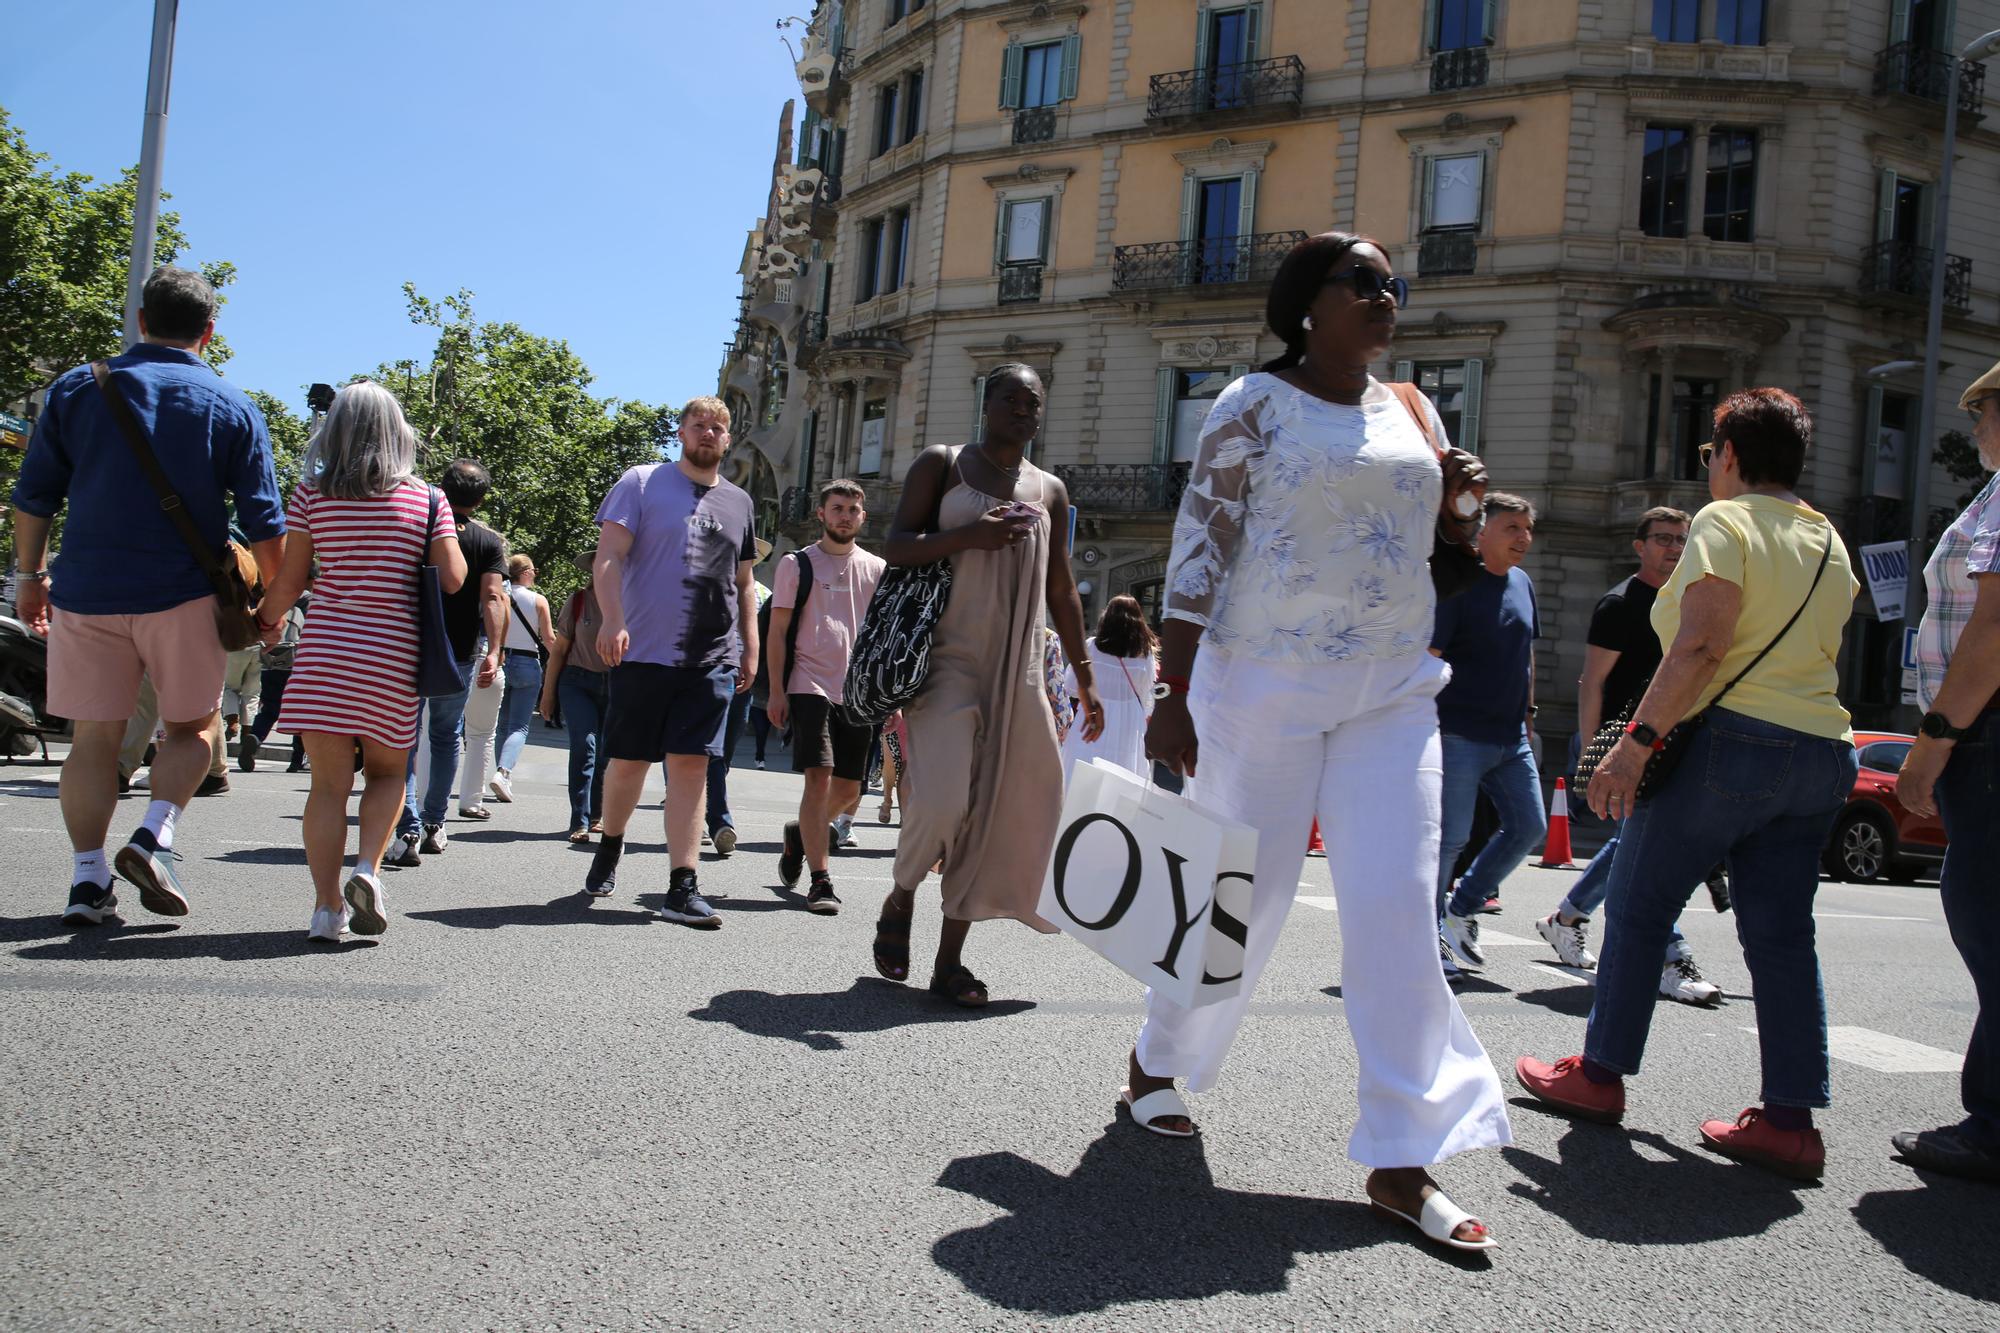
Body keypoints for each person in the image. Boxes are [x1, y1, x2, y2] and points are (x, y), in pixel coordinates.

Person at [1134, 232, 1508, 1251]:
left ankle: (1400, 1156)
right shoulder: (1249, 404)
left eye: (1393, 285)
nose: (1386, 297)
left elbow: (1450, 558)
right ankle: (1157, 1057)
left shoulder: (1414, 410)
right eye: (1364, 282)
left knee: (1393, 906)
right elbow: (1198, 546)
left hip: (1389, 689)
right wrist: (1170, 690)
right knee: (1242, 899)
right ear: (1309, 302)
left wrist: (1462, 503)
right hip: (1261, 682)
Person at [1517, 387, 1858, 1182]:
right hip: (1821, 749)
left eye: (1712, 452)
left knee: (1637, 908)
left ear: (1731, 454)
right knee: (1780, 934)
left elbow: (1703, 643)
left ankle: (1598, 1075)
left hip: (1732, 741)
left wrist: (1635, 744)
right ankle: (1789, 1119)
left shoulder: (1725, 522)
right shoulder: (1827, 537)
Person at [11, 266, 286, 929]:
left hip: (87, 591)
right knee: (191, 729)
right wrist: (270, 609)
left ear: (140, 319)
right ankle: (152, 836)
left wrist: (30, 576)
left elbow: (34, 496)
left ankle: (85, 879)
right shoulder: (231, 405)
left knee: (93, 742)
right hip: (185, 596)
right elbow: (267, 526)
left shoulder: (78, 387)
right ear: (209, 331)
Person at [877, 364, 1103, 1006]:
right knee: (944, 800)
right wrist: (968, 536)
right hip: (947, 659)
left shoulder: (1050, 490)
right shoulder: (942, 463)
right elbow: (895, 545)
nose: (1024, 409)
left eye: (1034, 401)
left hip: (1021, 664)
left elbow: (1061, 587)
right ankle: (902, 891)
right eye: (1011, 398)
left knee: (996, 809)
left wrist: (1084, 677)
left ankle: (949, 963)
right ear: (987, 404)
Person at [252, 381, 466, 942]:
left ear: (335, 430)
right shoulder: (427, 499)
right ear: (399, 432)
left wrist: (264, 620)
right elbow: (454, 578)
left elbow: (290, 580)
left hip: (325, 652)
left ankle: (326, 909)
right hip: (391, 656)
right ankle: (368, 869)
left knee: (327, 787)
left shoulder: (310, 495)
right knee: (389, 772)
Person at [1537, 508, 1723, 1005]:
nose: (1674, 549)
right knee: (1645, 849)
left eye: (1683, 540)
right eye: (1663, 539)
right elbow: (1592, 682)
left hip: (1671, 744)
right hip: (1623, 748)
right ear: (1639, 546)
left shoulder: (1690, 600)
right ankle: (1670, 957)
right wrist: (1592, 753)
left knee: (1633, 845)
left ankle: (1568, 917)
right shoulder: (1619, 604)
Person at [586, 396, 759, 927]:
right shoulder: (640, 482)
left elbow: (745, 582)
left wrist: (749, 645)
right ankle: (611, 842)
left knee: (691, 765)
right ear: (682, 432)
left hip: (711, 657)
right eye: (699, 425)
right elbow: (609, 556)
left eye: (719, 428)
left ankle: (681, 887)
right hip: (643, 649)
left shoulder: (739, 502)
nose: (709, 433)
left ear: (728, 440)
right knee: (631, 762)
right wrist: (613, 619)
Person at [1890, 360, 2000, 1183]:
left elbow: (1991, 633)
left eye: (1984, 411)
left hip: (1989, 735)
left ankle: (1993, 1124)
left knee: (1986, 917)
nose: (1975, 428)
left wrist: (1932, 740)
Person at [1434, 493, 1546, 971]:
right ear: (1483, 532)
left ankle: (1461, 908)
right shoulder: (1459, 583)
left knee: (1530, 827)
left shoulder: (1522, 583)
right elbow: (1431, 657)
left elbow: (1526, 654)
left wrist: (1530, 715)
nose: (1523, 538)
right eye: (1512, 528)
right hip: (1458, 733)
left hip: (1511, 737)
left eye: (1527, 529)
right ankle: (1424, 936)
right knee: (1451, 840)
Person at [769, 479, 887, 913]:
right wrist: (777, 691)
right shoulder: (796, 564)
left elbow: (879, 638)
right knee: (819, 776)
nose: (845, 516)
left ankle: (800, 834)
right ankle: (821, 880)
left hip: (857, 691)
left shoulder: (876, 568)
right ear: (821, 514)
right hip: (808, 682)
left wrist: (885, 696)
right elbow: (778, 633)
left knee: (850, 789)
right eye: (837, 508)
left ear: (862, 517)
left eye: (853, 510)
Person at [391, 458, 507, 860]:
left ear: (441, 488)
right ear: (480, 500)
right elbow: (493, 597)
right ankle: (434, 823)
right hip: (457, 652)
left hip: (406, 645)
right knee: (445, 736)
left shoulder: (417, 528)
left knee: (402, 738)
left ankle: (404, 827)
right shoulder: (488, 542)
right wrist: (493, 650)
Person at [704, 539, 774, 855]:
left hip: (744, 681)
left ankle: (704, 809)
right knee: (713, 751)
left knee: (725, 752)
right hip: (710, 675)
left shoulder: (763, 595)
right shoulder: (710, 587)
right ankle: (719, 821)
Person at [540, 551, 611, 841]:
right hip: (577, 681)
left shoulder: (631, 602)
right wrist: (548, 694)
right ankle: (578, 821)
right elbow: (558, 649)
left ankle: (597, 815)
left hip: (616, 686)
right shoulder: (579, 600)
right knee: (585, 745)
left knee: (607, 752)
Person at [1059, 594, 1157, 781]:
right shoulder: (1145, 654)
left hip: (1093, 714)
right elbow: (1146, 694)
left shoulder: (1091, 647)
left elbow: (1071, 686)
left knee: (1082, 768)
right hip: (1129, 720)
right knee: (1123, 776)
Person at [491, 552, 553, 800]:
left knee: (502, 725)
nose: (535, 575)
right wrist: (561, 660)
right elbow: (548, 638)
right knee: (519, 726)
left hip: (502, 660)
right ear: (526, 572)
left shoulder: (501, 595)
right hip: (528, 662)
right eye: (534, 571)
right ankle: (503, 772)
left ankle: (502, 776)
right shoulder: (538, 600)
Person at [241, 574, 311, 773]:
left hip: (271, 660)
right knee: (300, 713)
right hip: (297, 663)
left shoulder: (273, 596)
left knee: (270, 708)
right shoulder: (308, 600)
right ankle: (297, 759)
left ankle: (255, 736)